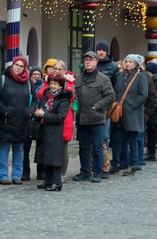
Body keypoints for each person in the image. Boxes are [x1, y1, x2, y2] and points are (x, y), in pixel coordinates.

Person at [72, 51, 115, 183]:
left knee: (97, 147)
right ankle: (85, 171)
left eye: (90, 60)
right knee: (83, 147)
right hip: (82, 118)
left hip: (97, 118)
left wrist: (97, 106)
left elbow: (110, 96)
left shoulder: (103, 79)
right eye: (86, 60)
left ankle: (97, 172)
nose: (88, 62)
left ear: (96, 62)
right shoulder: (78, 78)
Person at [0, 56, 31, 185]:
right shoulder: (2, 79)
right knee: (4, 147)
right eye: (17, 65)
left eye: (21, 66)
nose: (18, 68)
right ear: (12, 65)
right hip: (6, 119)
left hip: (22, 120)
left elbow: (34, 99)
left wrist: (30, 111)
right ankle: (2, 175)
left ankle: (17, 175)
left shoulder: (28, 82)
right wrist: (4, 110)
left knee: (19, 148)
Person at [32, 72, 73, 191]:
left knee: (54, 157)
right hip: (44, 129)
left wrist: (44, 114)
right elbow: (41, 107)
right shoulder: (46, 95)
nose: (53, 86)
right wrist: (37, 113)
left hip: (55, 131)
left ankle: (56, 182)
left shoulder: (63, 98)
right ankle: (48, 180)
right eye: (51, 83)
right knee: (45, 156)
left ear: (60, 85)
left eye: (55, 83)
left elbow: (60, 117)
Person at [113, 54, 148, 176]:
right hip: (119, 113)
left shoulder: (140, 76)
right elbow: (116, 91)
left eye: (130, 62)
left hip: (133, 113)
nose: (127, 64)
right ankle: (118, 162)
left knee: (132, 140)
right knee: (117, 139)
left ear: (136, 64)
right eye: (126, 61)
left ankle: (134, 164)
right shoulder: (120, 76)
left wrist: (132, 105)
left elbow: (143, 95)